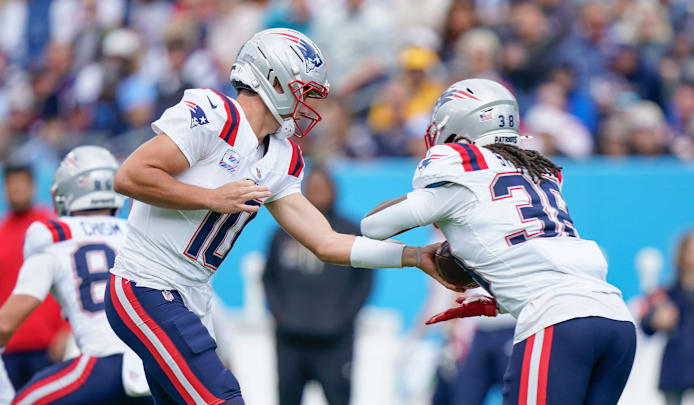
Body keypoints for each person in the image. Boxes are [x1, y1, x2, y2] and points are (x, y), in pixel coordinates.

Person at [105, 28, 454, 405]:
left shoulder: (281, 157)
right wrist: (210, 197)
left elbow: (326, 241)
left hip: (191, 294)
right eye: (306, 92)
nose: (310, 106)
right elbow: (130, 175)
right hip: (145, 283)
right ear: (274, 79)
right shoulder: (214, 115)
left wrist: (415, 257)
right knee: (223, 398)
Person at [361, 78, 637, 405]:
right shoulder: (535, 171)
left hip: (557, 319)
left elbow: (373, 225)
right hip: (615, 320)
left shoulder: (461, 178)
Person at [0, 146, 152, 404]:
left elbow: (4, 325)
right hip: (153, 370)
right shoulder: (138, 236)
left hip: (101, 365)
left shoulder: (53, 236)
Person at [262, 167, 373, 405]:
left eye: (322, 188)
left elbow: (364, 281)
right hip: (290, 341)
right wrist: (282, 315)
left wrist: (341, 318)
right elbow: (268, 278)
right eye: (312, 189)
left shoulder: (351, 234)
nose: (317, 194)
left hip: (335, 342)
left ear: (334, 191)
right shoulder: (282, 234)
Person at [0, 163, 68, 391]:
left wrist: (65, 330)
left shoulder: (50, 228)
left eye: (21, 183)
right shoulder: (1, 233)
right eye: (11, 184)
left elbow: (68, 278)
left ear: (32, 186)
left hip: (47, 345)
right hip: (8, 346)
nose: (16, 189)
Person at [641, 230, 694, 405]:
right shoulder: (667, 292)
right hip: (675, 372)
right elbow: (646, 325)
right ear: (684, 254)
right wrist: (656, 319)